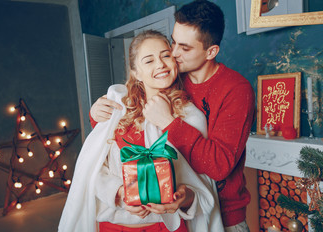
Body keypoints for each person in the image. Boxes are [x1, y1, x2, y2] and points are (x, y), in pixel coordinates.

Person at [90, 0, 255, 232]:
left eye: (184, 48)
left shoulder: (236, 90)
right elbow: (132, 112)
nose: (174, 54)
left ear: (211, 52)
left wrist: (169, 122)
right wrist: (98, 115)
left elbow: (218, 166)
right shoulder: (174, 79)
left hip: (225, 214)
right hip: (165, 215)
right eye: (173, 42)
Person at [59, 30, 224, 232]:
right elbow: (93, 170)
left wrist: (184, 197)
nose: (161, 65)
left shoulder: (191, 117)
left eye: (166, 55)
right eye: (149, 61)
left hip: (168, 227)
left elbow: (204, 185)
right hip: (115, 226)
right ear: (136, 72)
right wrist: (119, 194)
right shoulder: (116, 109)